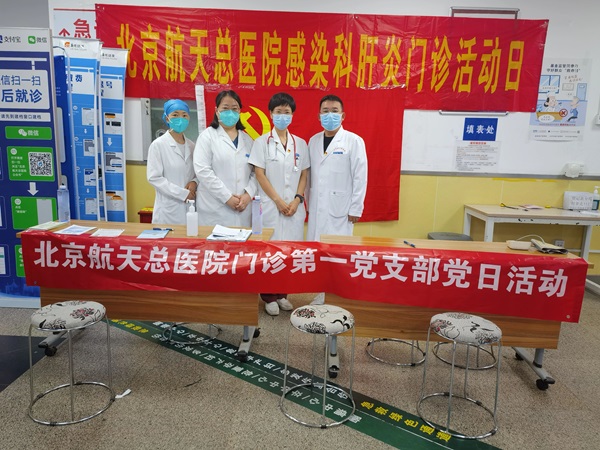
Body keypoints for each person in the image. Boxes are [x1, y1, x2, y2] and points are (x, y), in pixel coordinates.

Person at [249, 92, 310, 316]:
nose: (282, 115)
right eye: (278, 112)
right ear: (271, 114)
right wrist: (278, 201)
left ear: (292, 115)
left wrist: (297, 199)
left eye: (287, 112)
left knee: (289, 252)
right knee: (269, 252)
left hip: (293, 208)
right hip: (270, 207)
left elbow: (304, 174)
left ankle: (283, 294)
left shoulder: (300, 144)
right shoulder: (261, 142)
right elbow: (259, 174)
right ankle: (268, 296)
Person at [307, 94, 368, 305]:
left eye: (334, 111)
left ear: (343, 116)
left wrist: (356, 208)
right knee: (319, 251)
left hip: (341, 209)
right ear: (318, 116)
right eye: (325, 111)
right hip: (317, 207)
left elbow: (360, 176)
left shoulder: (353, 141)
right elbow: (309, 176)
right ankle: (322, 293)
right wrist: (307, 203)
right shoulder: (313, 141)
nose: (329, 115)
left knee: (338, 253)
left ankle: (338, 296)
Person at [193, 90, 257, 227]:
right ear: (217, 111)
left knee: (241, 240)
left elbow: (256, 172)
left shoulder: (248, 140)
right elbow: (203, 171)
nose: (230, 112)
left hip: (243, 208)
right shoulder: (207, 137)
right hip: (215, 209)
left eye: (234, 109)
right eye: (225, 108)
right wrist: (227, 197)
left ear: (240, 111)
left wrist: (248, 195)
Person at [146, 99, 198, 225]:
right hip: (168, 210)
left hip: (189, 206)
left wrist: (194, 182)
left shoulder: (192, 146)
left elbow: (197, 172)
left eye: (184, 115)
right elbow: (154, 178)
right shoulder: (158, 145)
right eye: (175, 115)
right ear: (167, 118)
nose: (180, 119)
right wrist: (182, 194)